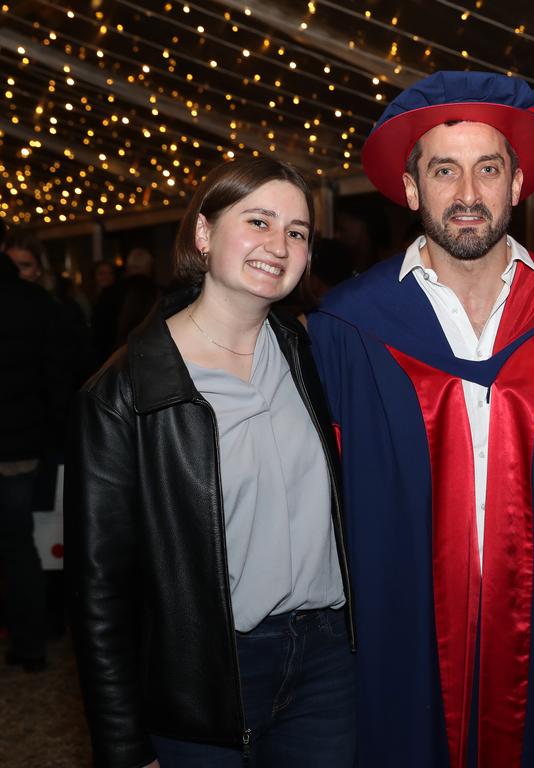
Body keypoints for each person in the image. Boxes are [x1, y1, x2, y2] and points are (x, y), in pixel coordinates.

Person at [308, 71, 534, 767]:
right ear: (412, 187)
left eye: (488, 170)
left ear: (517, 185)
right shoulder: (349, 328)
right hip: (406, 634)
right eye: (444, 171)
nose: (467, 196)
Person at [65, 157, 356, 768]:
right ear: (204, 233)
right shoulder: (124, 392)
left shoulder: (306, 353)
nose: (278, 245)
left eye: (297, 232)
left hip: (327, 662)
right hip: (206, 671)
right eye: (258, 221)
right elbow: (100, 590)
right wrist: (123, 744)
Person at [0, 247, 69, 673]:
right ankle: (30, 643)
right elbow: (59, 376)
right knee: (19, 545)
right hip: (21, 449)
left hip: (19, 444)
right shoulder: (37, 304)